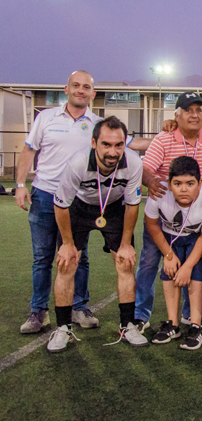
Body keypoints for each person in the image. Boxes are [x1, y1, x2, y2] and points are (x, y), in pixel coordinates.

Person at [15, 70, 150, 334]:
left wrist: (169, 133)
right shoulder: (46, 117)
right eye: (75, 85)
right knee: (44, 257)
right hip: (46, 193)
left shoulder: (101, 124)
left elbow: (132, 146)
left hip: (88, 197)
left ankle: (79, 308)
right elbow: (29, 149)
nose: (80, 90)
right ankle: (38, 312)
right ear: (66, 89)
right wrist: (20, 185)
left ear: (92, 93)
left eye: (86, 87)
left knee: (80, 257)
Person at [134, 92, 202, 331]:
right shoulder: (164, 138)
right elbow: (145, 169)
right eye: (188, 110)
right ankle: (140, 315)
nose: (195, 115)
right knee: (149, 262)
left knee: (193, 264)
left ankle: (189, 317)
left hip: (196, 215)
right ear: (176, 115)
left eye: (199, 110)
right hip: (165, 213)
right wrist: (152, 183)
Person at [47, 116, 147, 352]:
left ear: (125, 144)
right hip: (79, 208)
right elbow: (60, 204)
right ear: (94, 143)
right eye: (106, 144)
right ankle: (63, 328)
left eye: (119, 145)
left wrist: (125, 243)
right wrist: (68, 244)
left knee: (125, 262)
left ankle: (127, 325)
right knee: (67, 263)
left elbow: (133, 205)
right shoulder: (78, 163)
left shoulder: (133, 163)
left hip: (113, 209)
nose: (113, 152)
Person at [144, 157, 202, 350]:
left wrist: (188, 266)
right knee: (169, 272)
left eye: (190, 183)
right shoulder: (159, 193)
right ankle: (173, 324)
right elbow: (152, 225)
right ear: (169, 184)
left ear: (200, 184)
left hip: (196, 238)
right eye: (177, 183)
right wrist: (168, 256)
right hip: (169, 237)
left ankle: (195, 325)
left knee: (196, 273)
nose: (183, 189)